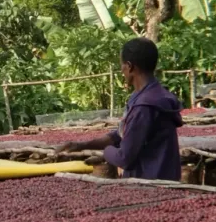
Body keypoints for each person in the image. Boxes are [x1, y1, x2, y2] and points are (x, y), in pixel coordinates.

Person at [57, 38, 183, 181]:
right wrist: (82, 145)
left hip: (150, 183)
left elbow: (124, 158)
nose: (122, 71)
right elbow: (121, 135)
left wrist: (107, 152)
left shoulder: (144, 106)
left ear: (129, 67)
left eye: (122, 66)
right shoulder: (149, 95)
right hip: (165, 177)